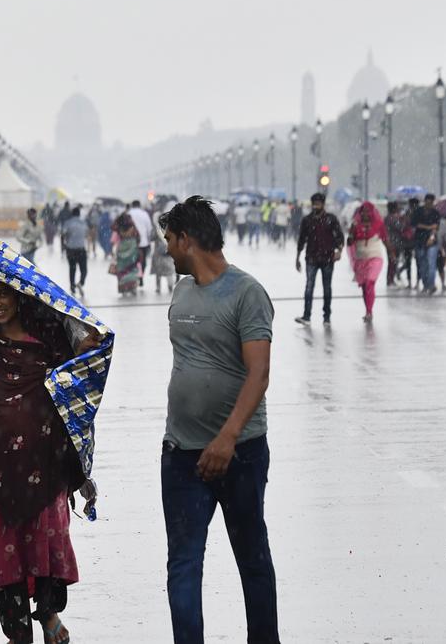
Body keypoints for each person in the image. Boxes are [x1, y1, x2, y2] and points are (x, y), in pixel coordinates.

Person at [0, 275, 100, 644]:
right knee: (6, 549)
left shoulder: (48, 343)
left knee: (47, 537)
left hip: (44, 465)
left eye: (3, 295)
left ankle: (48, 613)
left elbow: (75, 380)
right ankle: (16, 632)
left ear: (19, 296)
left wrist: (86, 348)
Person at [157, 196, 278, 644]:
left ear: (188, 239)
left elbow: (259, 373)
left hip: (240, 452)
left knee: (252, 557)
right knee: (183, 563)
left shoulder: (247, 294)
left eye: (170, 240)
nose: (167, 249)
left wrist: (226, 438)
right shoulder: (182, 289)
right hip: (182, 456)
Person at [294, 193, 344, 325]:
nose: (316, 205)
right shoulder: (307, 220)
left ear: (323, 204)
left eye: (318, 203)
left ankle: (326, 317)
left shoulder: (331, 219)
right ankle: (307, 316)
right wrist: (297, 257)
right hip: (311, 258)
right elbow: (301, 239)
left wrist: (339, 250)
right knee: (309, 286)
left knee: (327, 287)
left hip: (327, 257)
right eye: (314, 203)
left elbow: (339, 236)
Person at [347, 201, 390, 323]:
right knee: (365, 287)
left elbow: (385, 239)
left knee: (370, 282)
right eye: (363, 211)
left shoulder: (378, 224)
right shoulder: (355, 225)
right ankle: (367, 310)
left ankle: (369, 312)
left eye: (368, 211)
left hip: (375, 257)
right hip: (361, 260)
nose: (365, 214)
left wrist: (391, 252)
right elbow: (350, 242)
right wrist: (351, 233)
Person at [410, 194, 442, 294]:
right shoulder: (417, 212)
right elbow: (415, 224)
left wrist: (431, 236)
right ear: (425, 201)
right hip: (419, 241)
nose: (429, 204)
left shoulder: (436, 213)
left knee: (431, 264)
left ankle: (431, 285)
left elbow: (436, 227)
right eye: (427, 202)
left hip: (432, 242)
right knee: (422, 265)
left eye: (431, 202)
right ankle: (426, 284)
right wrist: (428, 227)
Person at [111, 212, 142, 296]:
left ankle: (123, 288)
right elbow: (138, 238)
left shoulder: (119, 228)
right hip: (132, 248)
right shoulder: (132, 227)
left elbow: (113, 228)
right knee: (132, 268)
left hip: (121, 248)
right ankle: (132, 287)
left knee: (121, 269)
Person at [62, 206, 89, 296]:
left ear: (72, 214)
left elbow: (63, 234)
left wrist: (64, 245)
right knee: (84, 269)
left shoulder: (68, 223)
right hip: (81, 249)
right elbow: (87, 233)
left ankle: (72, 287)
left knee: (72, 268)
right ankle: (81, 283)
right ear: (79, 214)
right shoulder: (83, 223)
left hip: (71, 249)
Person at [128, 200, 153, 283]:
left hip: (131, 242)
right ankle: (141, 276)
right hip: (143, 242)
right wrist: (149, 240)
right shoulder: (144, 214)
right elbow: (149, 228)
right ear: (139, 205)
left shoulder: (128, 214)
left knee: (132, 260)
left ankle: (133, 277)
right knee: (143, 261)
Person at [149, 218, 177, 294]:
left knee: (158, 271)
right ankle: (170, 286)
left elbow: (151, 238)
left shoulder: (156, 229)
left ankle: (158, 287)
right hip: (168, 252)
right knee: (169, 270)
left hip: (158, 252)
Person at [384, 201, 408, 287]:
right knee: (392, 262)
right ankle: (390, 280)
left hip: (390, 242)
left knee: (392, 262)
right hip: (394, 243)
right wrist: (404, 220)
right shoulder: (393, 218)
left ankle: (390, 279)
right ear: (394, 208)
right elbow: (400, 227)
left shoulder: (387, 218)